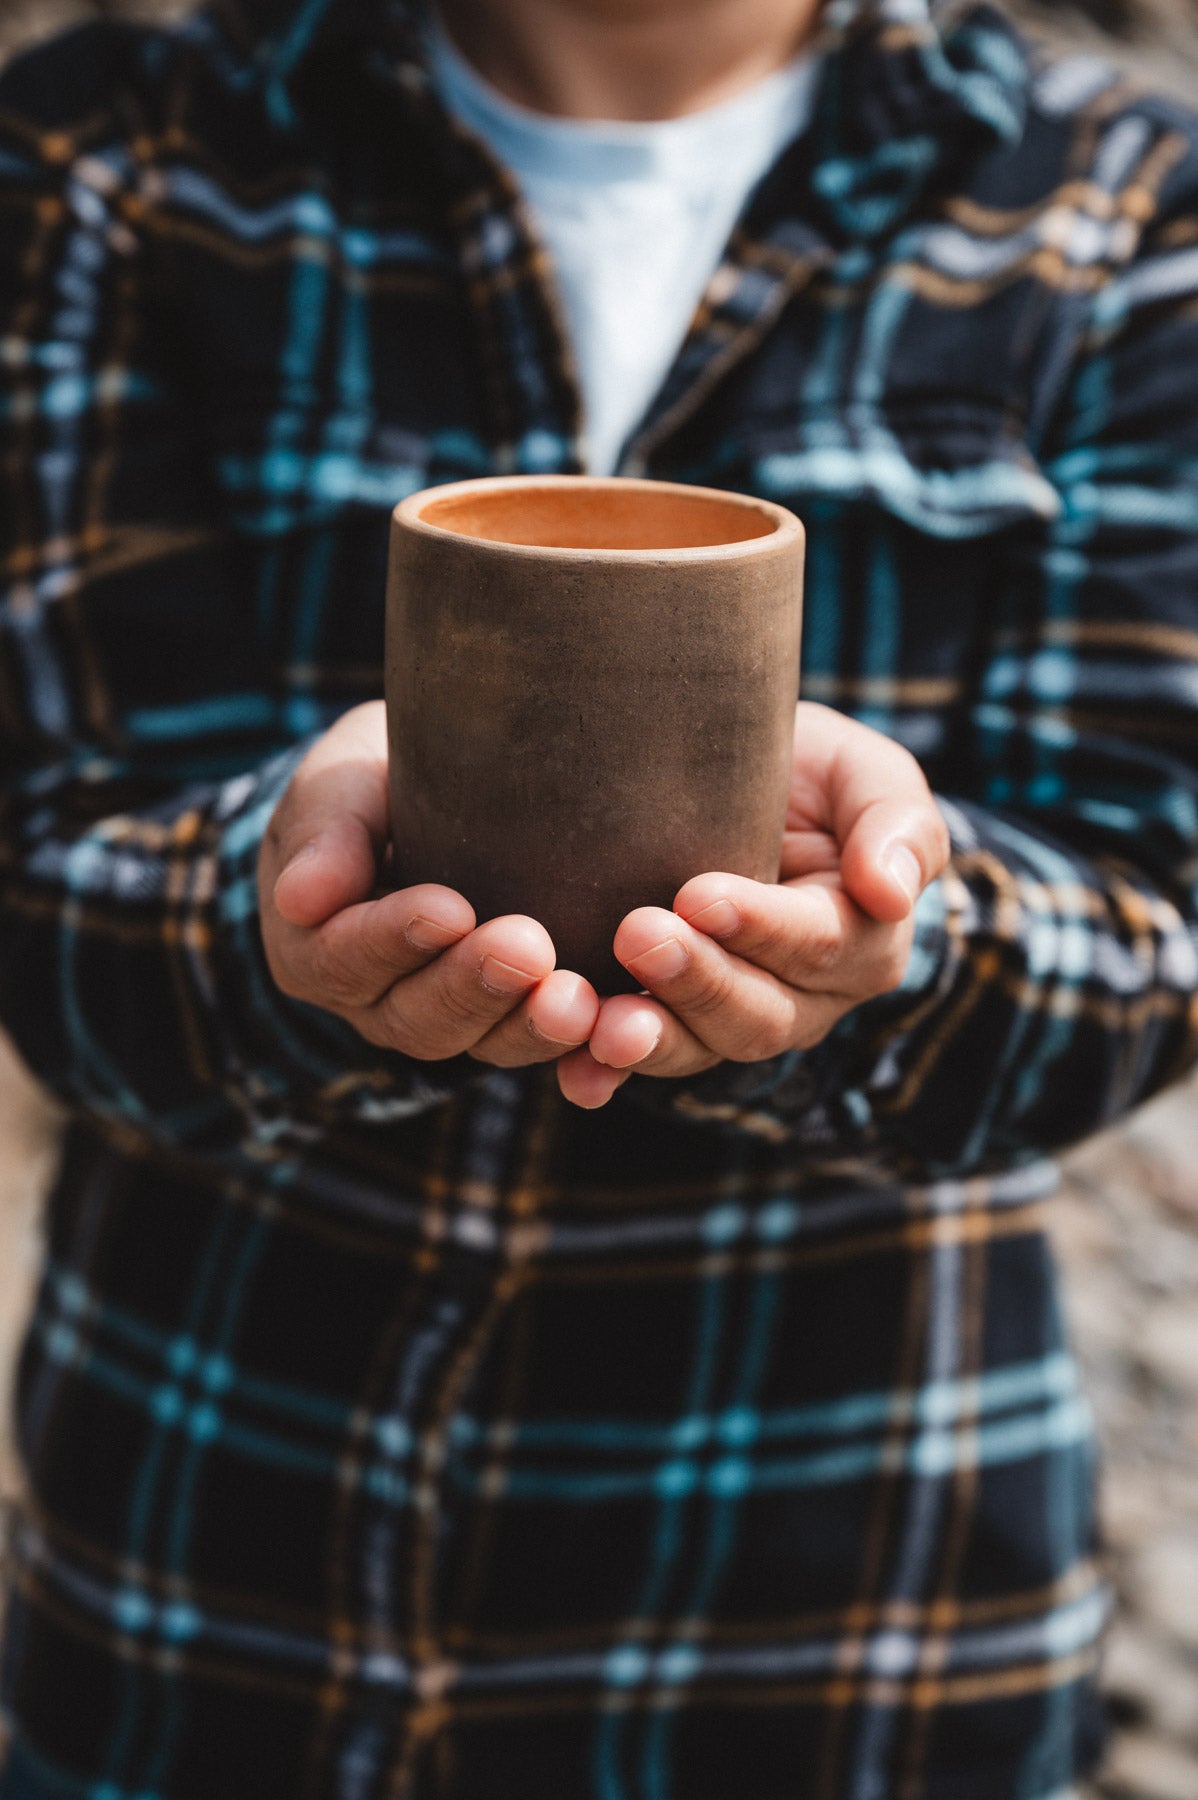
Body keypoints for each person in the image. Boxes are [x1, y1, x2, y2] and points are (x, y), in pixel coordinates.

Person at [0, 0, 1195, 1792]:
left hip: (845, 1636)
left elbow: (1154, 933)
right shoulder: (118, 152)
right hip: (212, 1602)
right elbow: (40, 893)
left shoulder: (1123, 202)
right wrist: (265, 901)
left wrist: (895, 932)